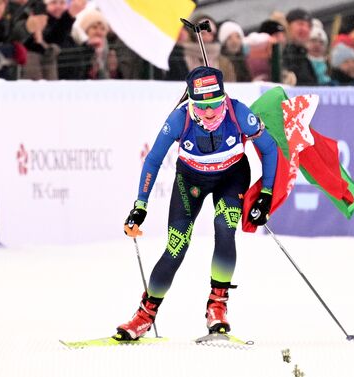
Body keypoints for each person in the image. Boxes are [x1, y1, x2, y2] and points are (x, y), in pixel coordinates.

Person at [115, 66, 278, 340]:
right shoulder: (179, 119)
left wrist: (267, 194)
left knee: (225, 228)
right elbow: (153, 160)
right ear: (190, 102)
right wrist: (140, 204)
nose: (211, 113)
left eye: (215, 104)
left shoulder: (239, 113)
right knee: (176, 247)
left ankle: (218, 306)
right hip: (190, 181)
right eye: (202, 108)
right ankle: (144, 315)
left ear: (224, 97)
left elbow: (270, 148)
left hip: (231, 177)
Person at [282, 8, 318, 85]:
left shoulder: (304, 58)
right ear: (288, 26)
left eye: (308, 26)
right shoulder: (281, 54)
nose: (305, 29)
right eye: (300, 24)